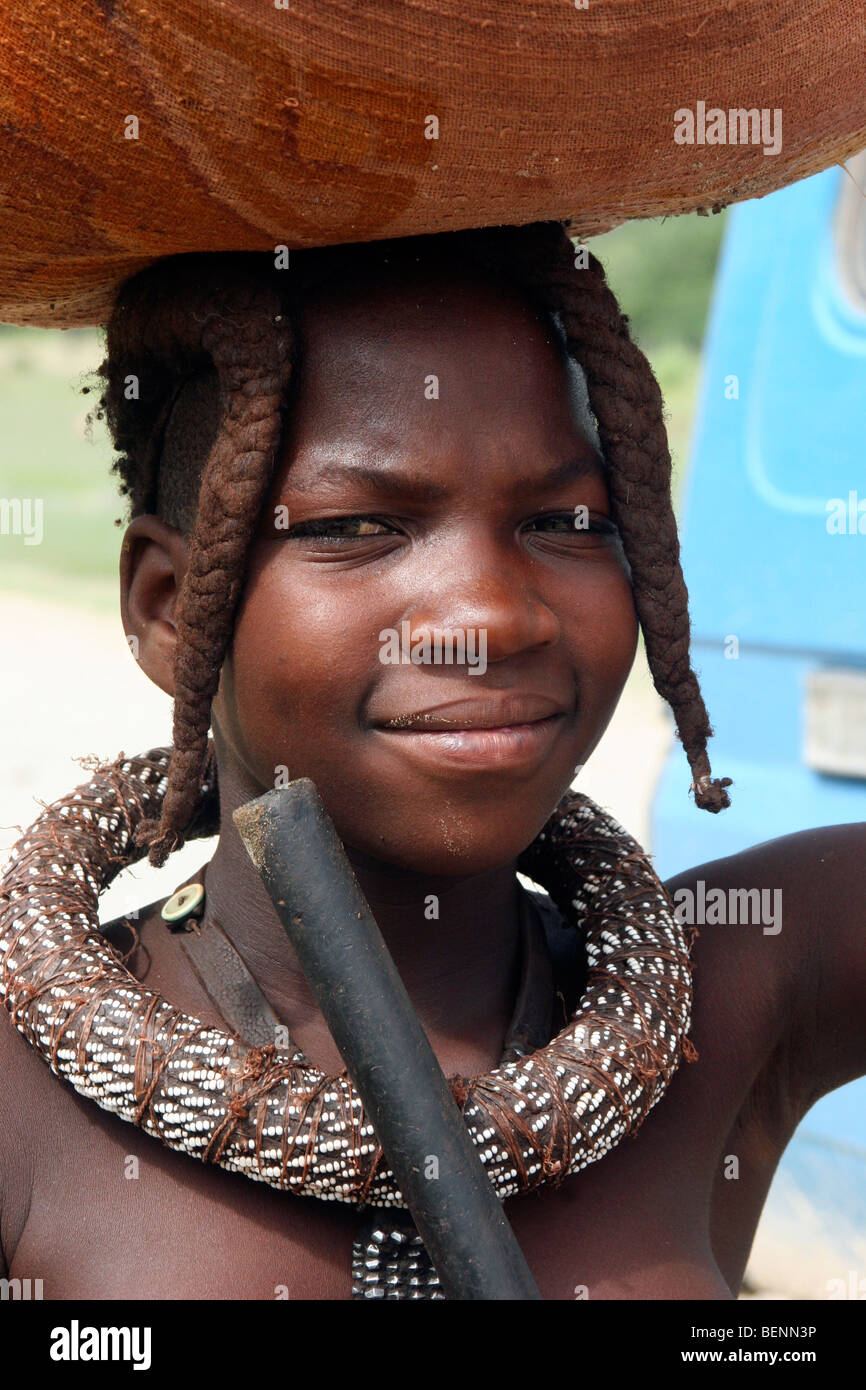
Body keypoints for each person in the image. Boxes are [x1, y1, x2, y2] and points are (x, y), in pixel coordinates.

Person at [1, 223, 863, 1300]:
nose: (491, 617)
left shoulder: (734, 994)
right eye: (360, 524)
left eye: (564, 519)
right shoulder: (26, 1097)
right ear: (170, 611)